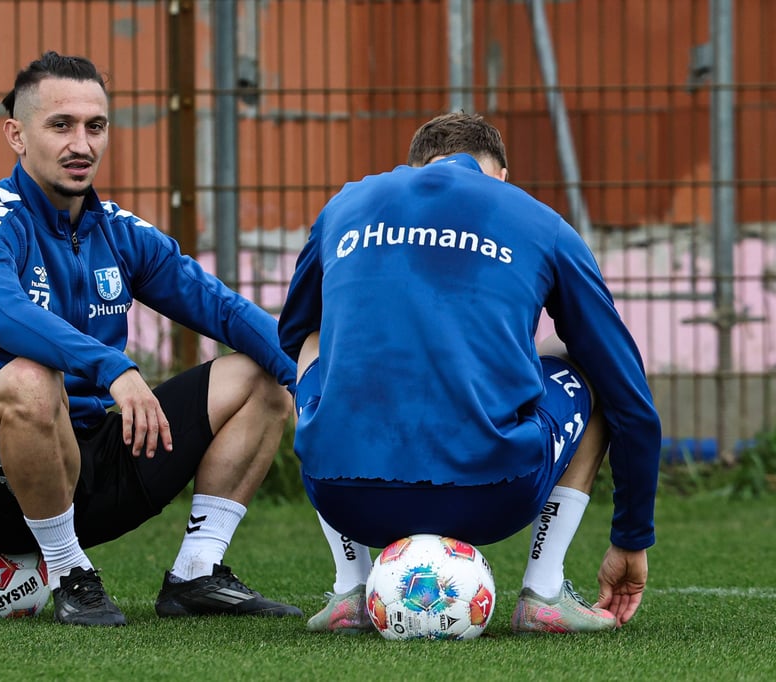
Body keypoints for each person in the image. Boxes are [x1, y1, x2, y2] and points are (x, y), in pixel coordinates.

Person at [0, 51, 303, 626]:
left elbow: (220, 307)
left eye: (95, 126)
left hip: (98, 464)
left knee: (260, 374)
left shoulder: (120, 232)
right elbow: (7, 317)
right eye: (61, 125)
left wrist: (316, 379)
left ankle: (196, 573)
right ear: (17, 135)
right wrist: (114, 366)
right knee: (30, 378)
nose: (82, 144)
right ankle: (70, 572)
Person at [278, 112, 661, 635]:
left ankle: (351, 585)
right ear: (501, 175)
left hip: (343, 495)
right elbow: (630, 394)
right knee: (587, 363)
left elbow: (292, 332)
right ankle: (544, 593)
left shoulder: (346, 205)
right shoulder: (538, 220)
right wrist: (631, 538)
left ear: (414, 168)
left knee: (316, 341)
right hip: (494, 494)